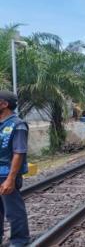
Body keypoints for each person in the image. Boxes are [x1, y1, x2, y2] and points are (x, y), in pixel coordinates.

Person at [0, 91, 30, 246]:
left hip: (7, 175)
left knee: (14, 211)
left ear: (4, 104)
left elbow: (19, 153)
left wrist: (10, 179)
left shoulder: (18, 125)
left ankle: (20, 241)